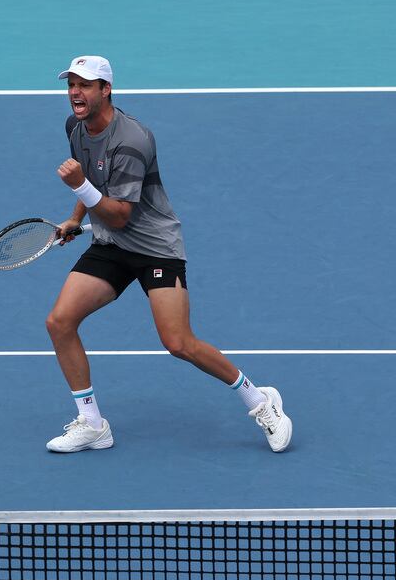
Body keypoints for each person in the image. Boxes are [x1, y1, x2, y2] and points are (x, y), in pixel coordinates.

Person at [44, 56, 292, 454]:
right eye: (71, 84)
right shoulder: (75, 126)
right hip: (111, 245)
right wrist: (75, 218)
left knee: (178, 342)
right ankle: (92, 425)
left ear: (106, 90)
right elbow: (92, 179)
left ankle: (261, 401)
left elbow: (121, 214)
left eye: (85, 85)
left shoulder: (133, 140)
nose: (75, 92)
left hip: (155, 249)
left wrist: (79, 190)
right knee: (59, 322)